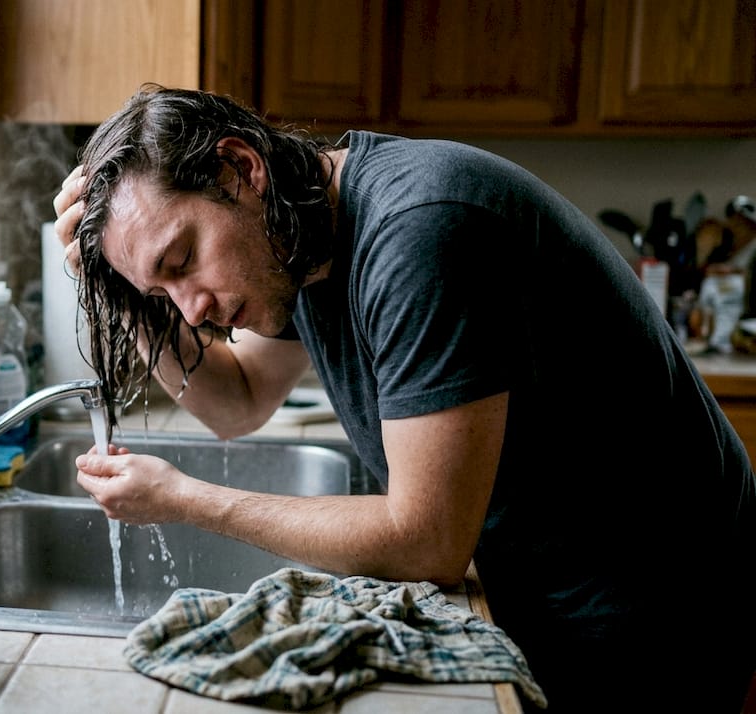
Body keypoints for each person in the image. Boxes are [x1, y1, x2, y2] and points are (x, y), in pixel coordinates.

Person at [52, 85, 756, 713]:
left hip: (662, 607)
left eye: (182, 261)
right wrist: (125, 297)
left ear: (241, 169)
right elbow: (238, 402)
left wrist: (186, 500)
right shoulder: (301, 240)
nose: (192, 309)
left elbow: (428, 541)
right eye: (162, 291)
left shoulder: (419, 229)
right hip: (560, 594)